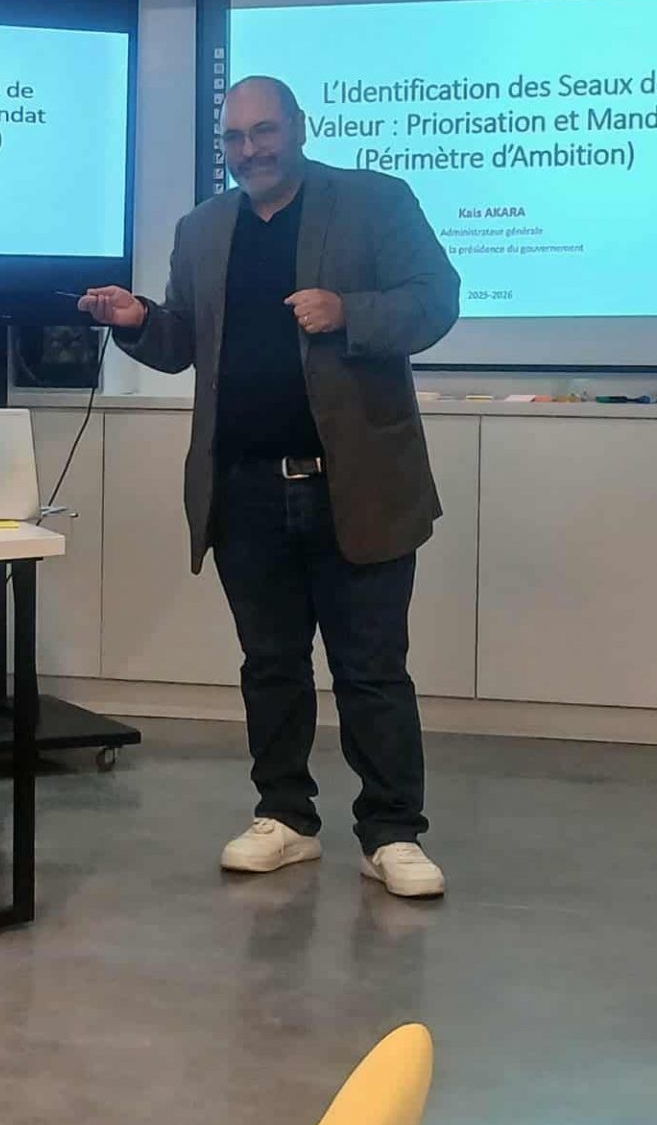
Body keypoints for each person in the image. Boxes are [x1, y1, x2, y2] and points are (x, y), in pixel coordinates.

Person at [81, 77, 460, 897]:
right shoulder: (202, 228)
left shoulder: (375, 201)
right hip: (244, 489)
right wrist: (138, 321)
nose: (249, 150)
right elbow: (184, 343)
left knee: (372, 670)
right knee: (270, 665)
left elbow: (436, 302)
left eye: (264, 132)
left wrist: (348, 310)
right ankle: (285, 818)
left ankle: (392, 832)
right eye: (234, 137)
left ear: (299, 127)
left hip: (357, 484)